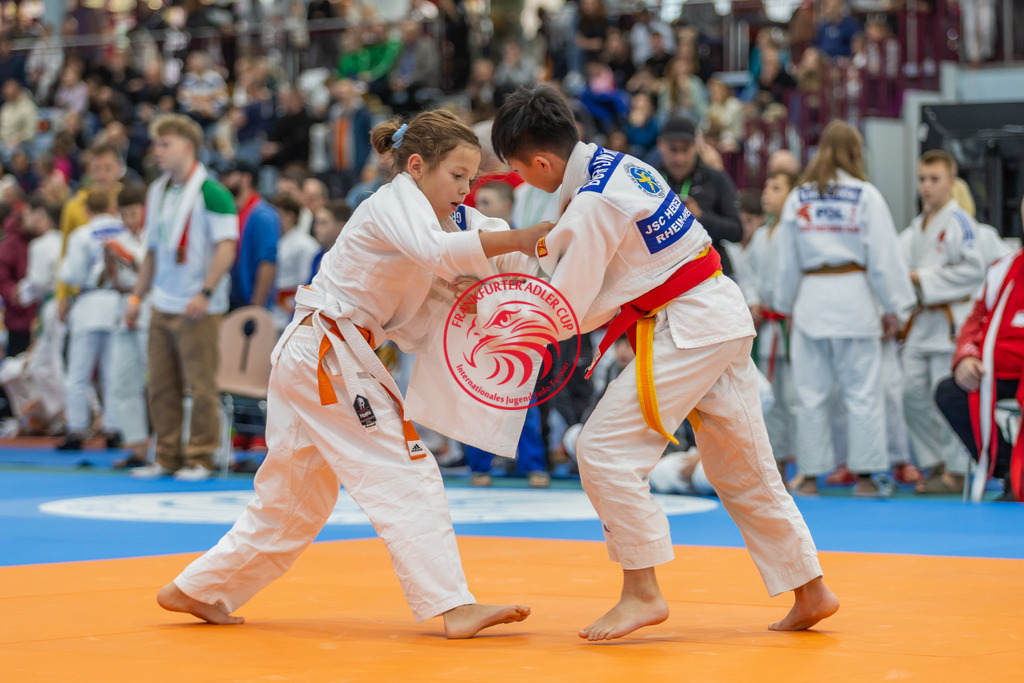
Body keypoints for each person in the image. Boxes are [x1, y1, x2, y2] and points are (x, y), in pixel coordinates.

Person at [155, 108, 551, 637]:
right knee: (406, 470)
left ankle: (199, 588)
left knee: (294, 501)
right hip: (330, 356)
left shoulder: (446, 219)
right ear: (417, 166)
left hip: (317, 354)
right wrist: (523, 239)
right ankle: (453, 604)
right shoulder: (389, 205)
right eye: (457, 175)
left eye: (472, 178)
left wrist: (547, 247)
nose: (466, 189)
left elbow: (489, 246)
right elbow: (445, 251)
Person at [491, 84, 837, 641]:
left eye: (517, 169)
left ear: (541, 162)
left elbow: (569, 306)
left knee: (602, 448)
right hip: (716, 315)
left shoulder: (594, 200)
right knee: (741, 466)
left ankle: (642, 592)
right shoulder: (618, 166)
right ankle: (810, 587)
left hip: (690, 325)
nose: (520, 180)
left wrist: (502, 320)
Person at [773, 121, 915, 496]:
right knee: (863, 393)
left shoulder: (799, 197)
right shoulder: (865, 195)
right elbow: (883, 258)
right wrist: (897, 307)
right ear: (855, 152)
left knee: (810, 394)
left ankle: (809, 476)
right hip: (855, 299)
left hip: (811, 299)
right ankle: (865, 477)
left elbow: (786, 260)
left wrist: (783, 302)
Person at [126, 114, 238, 482]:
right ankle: (167, 456)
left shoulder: (213, 193)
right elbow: (153, 251)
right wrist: (136, 298)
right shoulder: (156, 191)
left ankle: (201, 457)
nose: (156, 151)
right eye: (156, 144)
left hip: (198, 306)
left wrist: (205, 292)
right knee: (159, 386)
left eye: (165, 144)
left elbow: (226, 249)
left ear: (187, 147)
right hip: (163, 301)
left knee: (200, 385)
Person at [899, 150, 987, 494]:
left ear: (951, 182)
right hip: (921, 323)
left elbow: (974, 270)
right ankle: (934, 462)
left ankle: (955, 471)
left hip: (950, 324)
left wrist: (922, 278)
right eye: (922, 179)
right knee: (911, 395)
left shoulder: (959, 222)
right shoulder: (915, 227)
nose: (927, 186)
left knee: (944, 397)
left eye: (934, 179)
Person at [936, 196, 1024, 502]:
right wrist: (966, 356)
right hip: (999, 370)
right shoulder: (1005, 268)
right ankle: (1010, 473)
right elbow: (976, 320)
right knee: (950, 392)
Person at [56, 189, 125, 450]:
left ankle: (76, 430)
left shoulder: (81, 235)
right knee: (112, 372)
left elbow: (71, 275)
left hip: (88, 304)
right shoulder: (123, 232)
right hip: (117, 303)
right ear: (111, 206)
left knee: (78, 372)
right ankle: (114, 430)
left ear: (86, 210)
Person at [652, 116, 743, 276]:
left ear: (696, 146)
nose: (679, 158)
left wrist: (700, 216)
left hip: (711, 272)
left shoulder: (716, 179)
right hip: (664, 274)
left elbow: (737, 231)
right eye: (673, 149)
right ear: (661, 145)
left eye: (685, 149)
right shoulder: (649, 180)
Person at [107, 184, 152, 466]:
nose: (128, 220)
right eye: (123, 214)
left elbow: (150, 269)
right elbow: (103, 279)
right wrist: (108, 260)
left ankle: (173, 447)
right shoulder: (117, 238)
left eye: (133, 213)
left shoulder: (153, 236)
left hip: (149, 306)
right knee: (123, 382)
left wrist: (126, 255)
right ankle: (137, 446)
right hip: (123, 307)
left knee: (160, 381)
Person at [220, 159, 278, 311]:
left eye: (229, 175)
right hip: (229, 297)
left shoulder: (263, 215)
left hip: (246, 300)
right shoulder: (234, 211)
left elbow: (268, 263)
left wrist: (256, 306)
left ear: (246, 179)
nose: (223, 180)